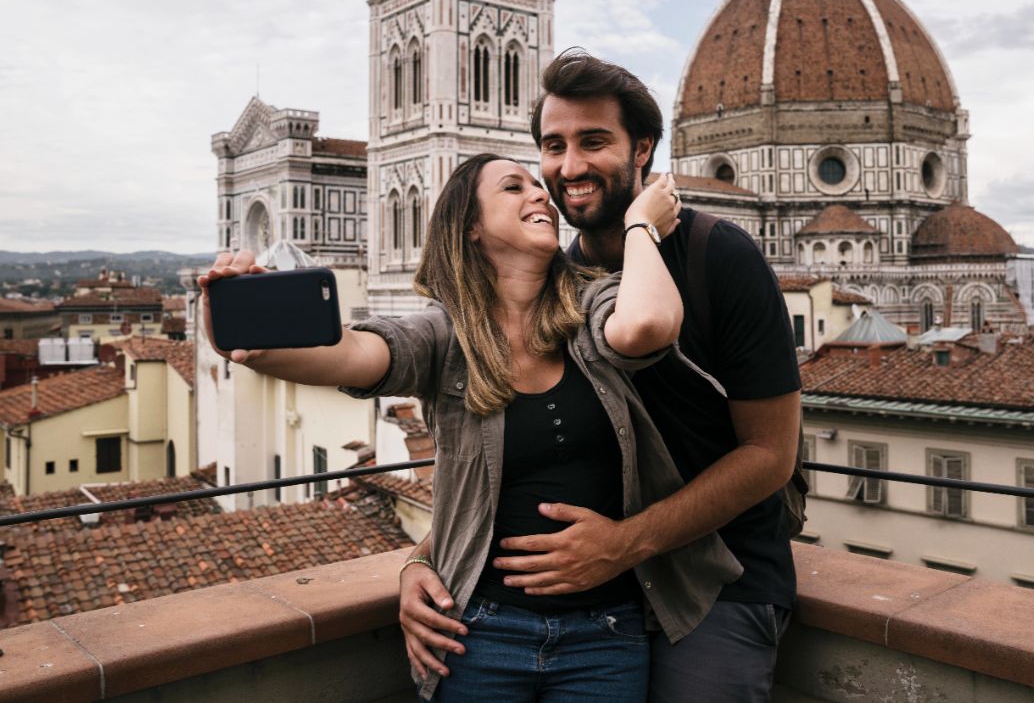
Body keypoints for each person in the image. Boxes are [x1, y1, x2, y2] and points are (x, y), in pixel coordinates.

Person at [199, 152, 740, 702]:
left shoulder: (591, 304)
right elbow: (354, 353)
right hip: (477, 633)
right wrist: (256, 345)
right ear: (473, 229)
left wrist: (640, 225)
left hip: (606, 636)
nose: (541, 195)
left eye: (537, 186)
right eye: (514, 187)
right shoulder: (444, 335)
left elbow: (648, 323)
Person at [401, 52, 803, 702]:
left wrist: (625, 544)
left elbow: (770, 455)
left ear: (642, 149)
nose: (570, 167)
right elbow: (516, 461)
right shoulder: (555, 284)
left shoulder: (718, 257)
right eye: (553, 147)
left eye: (594, 142)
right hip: (598, 595)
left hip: (719, 580)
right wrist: (424, 559)